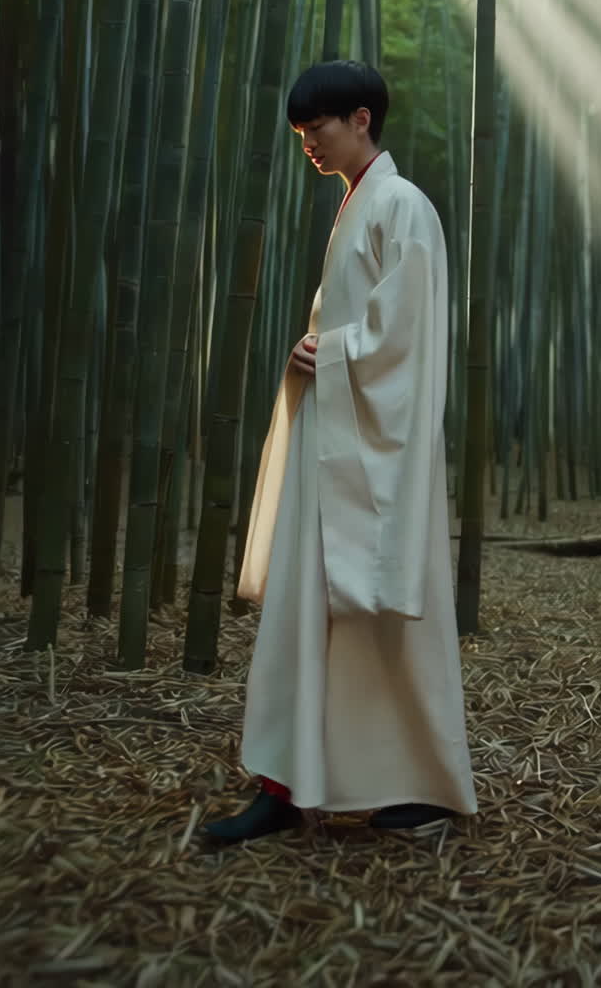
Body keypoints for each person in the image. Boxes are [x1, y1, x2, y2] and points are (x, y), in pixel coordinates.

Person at [204, 61, 477, 842]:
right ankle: (288, 784)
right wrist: (324, 355)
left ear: (361, 118)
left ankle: (418, 783)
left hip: (371, 448)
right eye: (298, 135)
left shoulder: (402, 204)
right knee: (308, 616)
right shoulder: (360, 205)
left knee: (378, 616)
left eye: (316, 129)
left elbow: (411, 335)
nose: (308, 146)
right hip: (337, 440)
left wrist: (337, 350)